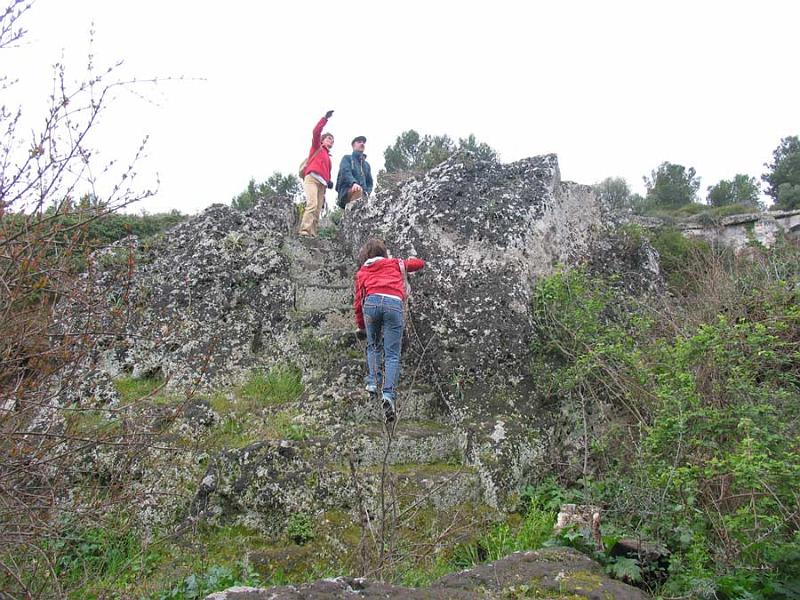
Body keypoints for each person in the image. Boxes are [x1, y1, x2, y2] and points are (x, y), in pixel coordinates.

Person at [353, 238, 425, 423]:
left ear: (366, 255)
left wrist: (361, 325)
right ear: (384, 253)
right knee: (392, 353)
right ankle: (388, 395)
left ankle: (372, 383)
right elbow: (418, 264)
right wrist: (412, 258)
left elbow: (358, 301)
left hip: (372, 304)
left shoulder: (363, 272)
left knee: (373, 346)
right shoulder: (394, 263)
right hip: (393, 304)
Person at [298, 110, 335, 237]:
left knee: (318, 209)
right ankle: (304, 231)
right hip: (312, 178)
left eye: (333, 140)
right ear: (322, 140)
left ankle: (312, 233)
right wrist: (325, 118)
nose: (331, 141)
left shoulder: (328, 158)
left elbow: (327, 172)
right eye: (329, 138)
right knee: (312, 205)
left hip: (322, 184)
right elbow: (316, 132)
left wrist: (329, 181)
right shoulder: (317, 147)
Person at [336, 135, 373, 209]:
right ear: (353, 146)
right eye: (359, 142)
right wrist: (353, 183)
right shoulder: (347, 158)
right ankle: (352, 217)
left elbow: (370, 182)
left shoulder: (366, 165)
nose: (362, 144)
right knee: (358, 190)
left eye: (363, 142)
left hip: (363, 194)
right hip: (346, 192)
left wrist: (368, 192)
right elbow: (345, 172)